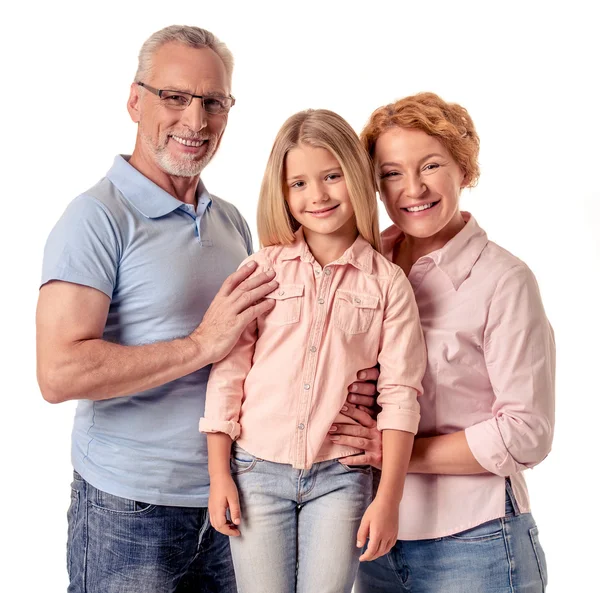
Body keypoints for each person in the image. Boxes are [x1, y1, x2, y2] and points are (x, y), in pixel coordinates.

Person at [36, 26, 377, 593]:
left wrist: (349, 380)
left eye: (212, 102)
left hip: (237, 499)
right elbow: (58, 373)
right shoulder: (95, 218)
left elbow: (274, 345)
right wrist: (200, 345)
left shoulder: (233, 222)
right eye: (174, 97)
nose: (195, 120)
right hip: (131, 509)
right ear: (134, 101)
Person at [328, 92, 555, 593]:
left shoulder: (505, 281)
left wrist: (391, 451)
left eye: (430, 165)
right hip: (371, 539)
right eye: (390, 173)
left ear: (464, 169)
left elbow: (526, 432)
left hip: (475, 542)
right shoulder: (364, 265)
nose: (412, 189)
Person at [199, 109, 427, 593]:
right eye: (298, 183)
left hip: (341, 478)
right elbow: (228, 376)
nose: (317, 195)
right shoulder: (262, 270)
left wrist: (388, 499)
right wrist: (220, 474)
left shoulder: (388, 284)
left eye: (331, 176)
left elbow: (401, 393)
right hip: (257, 471)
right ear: (281, 193)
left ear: (357, 177)